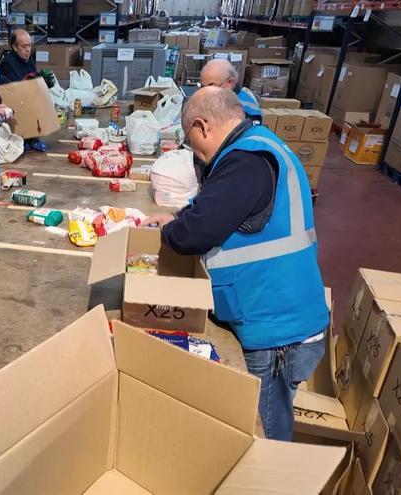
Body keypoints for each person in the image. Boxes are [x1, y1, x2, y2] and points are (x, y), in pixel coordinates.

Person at [144, 87, 329, 441]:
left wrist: (172, 231)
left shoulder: (246, 161)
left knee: (264, 431)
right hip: (278, 318)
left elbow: (194, 234)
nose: (196, 156)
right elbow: (218, 211)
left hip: (277, 332)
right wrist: (177, 219)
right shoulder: (259, 145)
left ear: (202, 127)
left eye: (191, 143)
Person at [0, 29, 52, 152]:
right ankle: (23, 138)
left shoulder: (30, 60)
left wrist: (44, 81)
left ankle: (33, 137)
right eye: (24, 46)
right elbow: (13, 89)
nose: (28, 50)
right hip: (12, 101)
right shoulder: (8, 63)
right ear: (14, 47)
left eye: (29, 46)